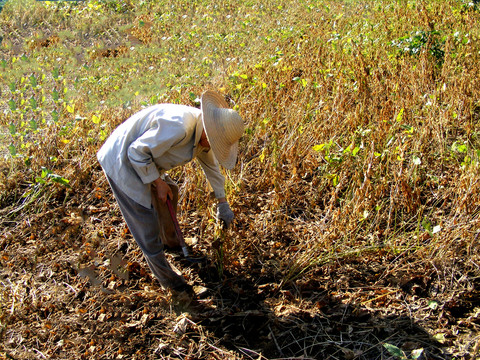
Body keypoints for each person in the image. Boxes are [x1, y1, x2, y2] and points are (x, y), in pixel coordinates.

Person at [97, 90, 244, 292]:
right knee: (146, 226)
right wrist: (157, 182)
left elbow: (212, 168)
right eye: (213, 141)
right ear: (209, 130)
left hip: (145, 161)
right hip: (122, 161)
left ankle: (172, 242)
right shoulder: (179, 127)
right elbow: (135, 152)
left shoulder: (203, 136)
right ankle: (171, 283)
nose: (212, 146)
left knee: (171, 191)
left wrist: (222, 203)